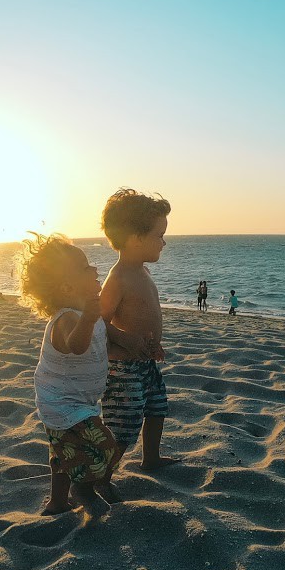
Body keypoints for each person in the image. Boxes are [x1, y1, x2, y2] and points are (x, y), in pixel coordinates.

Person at [20, 233, 121, 521]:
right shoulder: (66, 319)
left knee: (65, 453)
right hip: (62, 402)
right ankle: (84, 488)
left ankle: (57, 502)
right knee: (105, 446)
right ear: (67, 287)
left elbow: (101, 342)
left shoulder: (87, 315)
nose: (95, 270)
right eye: (86, 267)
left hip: (79, 399)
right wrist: (89, 319)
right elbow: (76, 346)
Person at [99, 189, 180, 483]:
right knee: (125, 425)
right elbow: (97, 321)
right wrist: (124, 338)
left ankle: (151, 458)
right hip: (122, 369)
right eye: (159, 235)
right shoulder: (118, 277)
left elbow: (145, 312)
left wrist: (152, 345)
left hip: (145, 363)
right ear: (135, 237)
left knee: (157, 407)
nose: (164, 241)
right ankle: (101, 476)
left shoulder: (141, 271)